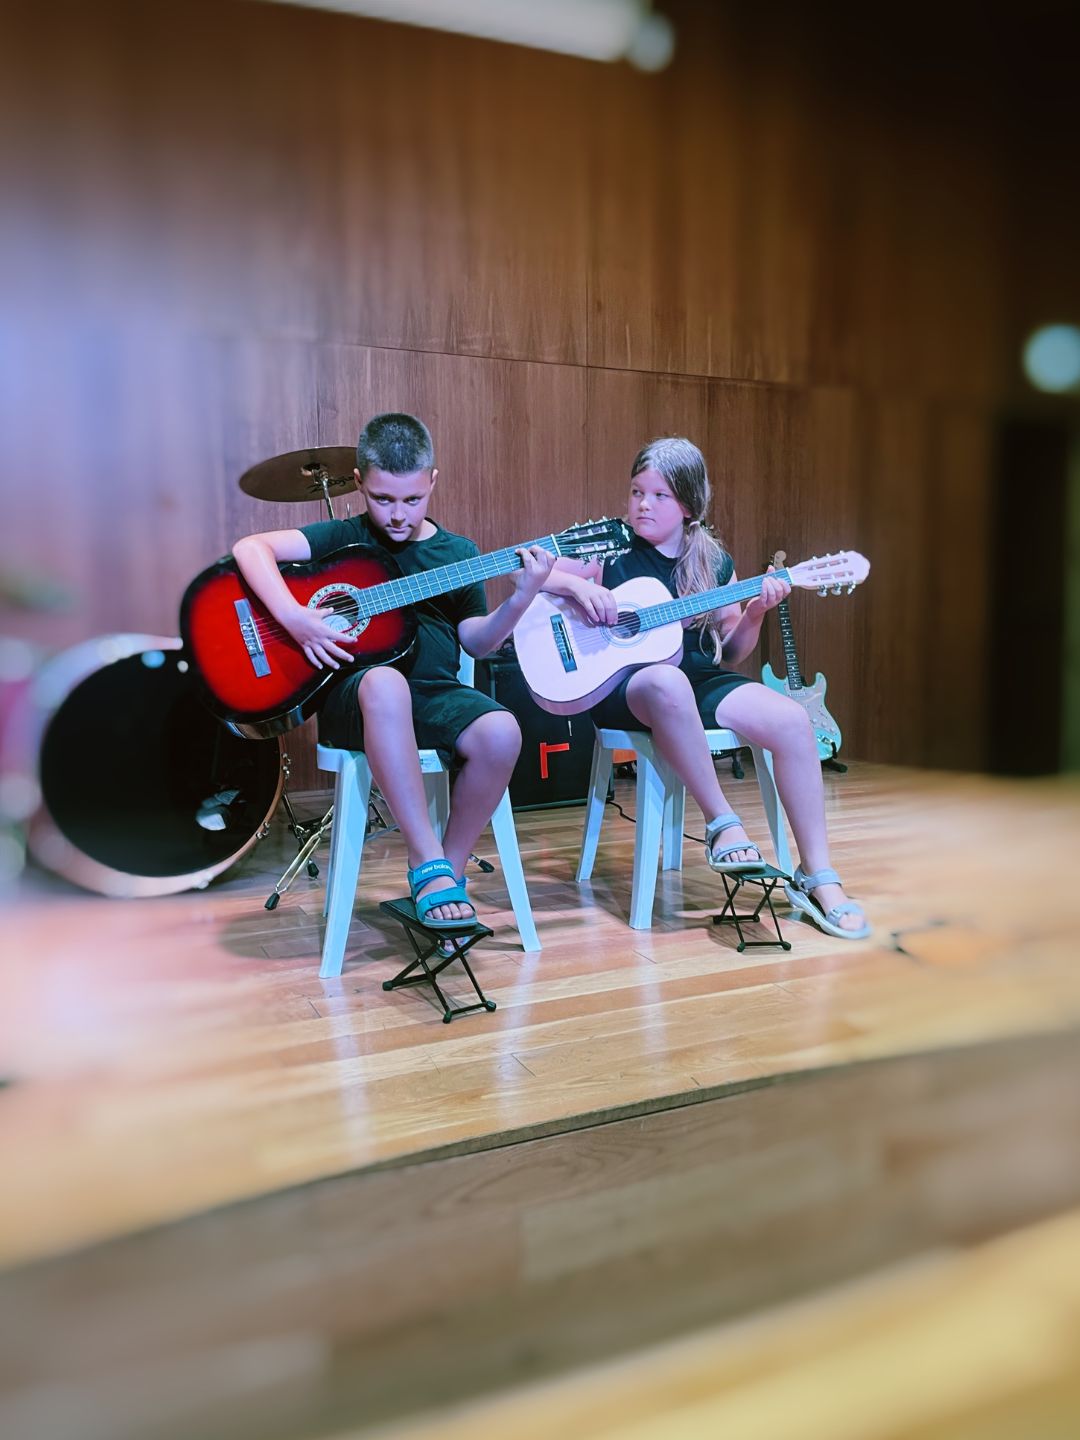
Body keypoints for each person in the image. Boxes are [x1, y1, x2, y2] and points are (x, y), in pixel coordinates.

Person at [231, 412, 554, 929]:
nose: (398, 515)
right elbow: (250, 549)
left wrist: (521, 598)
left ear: (432, 481)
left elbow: (476, 639)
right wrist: (296, 620)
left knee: (501, 730)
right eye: (382, 500)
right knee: (385, 682)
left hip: (435, 694)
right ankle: (425, 858)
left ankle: (447, 867)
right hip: (360, 700)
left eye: (412, 499)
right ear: (358, 483)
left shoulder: (458, 553)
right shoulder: (343, 537)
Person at [542, 436, 870, 939]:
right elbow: (534, 571)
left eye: (659, 496)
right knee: (665, 680)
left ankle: (817, 875)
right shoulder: (608, 547)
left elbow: (733, 653)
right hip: (627, 685)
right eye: (636, 491)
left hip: (698, 678)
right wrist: (581, 585)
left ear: (689, 506)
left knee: (791, 719)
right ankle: (722, 822)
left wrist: (758, 610)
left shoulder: (714, 562)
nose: (642, 504)